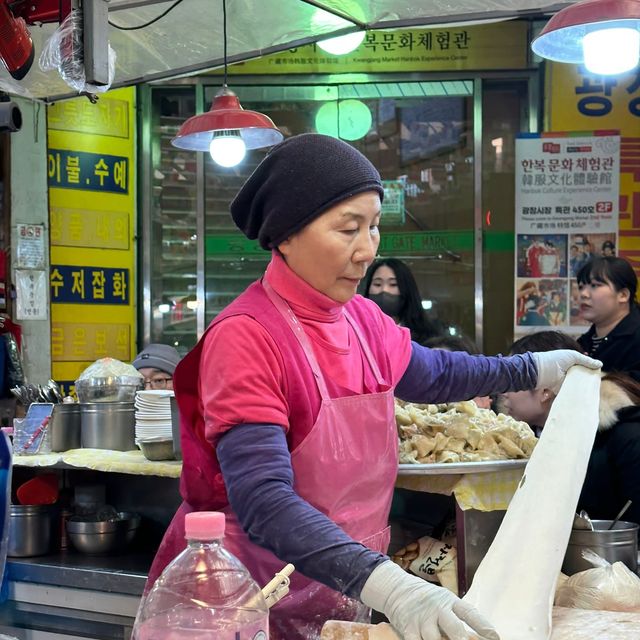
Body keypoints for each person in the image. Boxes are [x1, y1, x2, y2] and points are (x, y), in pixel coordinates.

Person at [147, 134, 599, 640]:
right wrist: (390, 586)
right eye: (348, 229)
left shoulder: (362, 319)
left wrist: (532, 368)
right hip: (246, 598)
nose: (367, 250)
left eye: (375, 226)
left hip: (341, 587)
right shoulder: (247, 337)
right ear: (287, 235)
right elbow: (264, 501)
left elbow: (438, 375)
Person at [499, 331, 640, 527]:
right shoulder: (524, 438)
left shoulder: (625, 436)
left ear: (545, 391)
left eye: (513, 380)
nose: (503, 392)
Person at [576, 256, 640, 382]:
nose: (583, 294)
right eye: (581, 287)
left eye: (594, 285)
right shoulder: (583, 343)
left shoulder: (636, 338)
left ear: (623, 295)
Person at [361, 257, 441, 345]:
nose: (384, 290)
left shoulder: (426, 337)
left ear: (406, 289)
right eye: (377, 284)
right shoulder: (358, 331)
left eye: (393, 284)